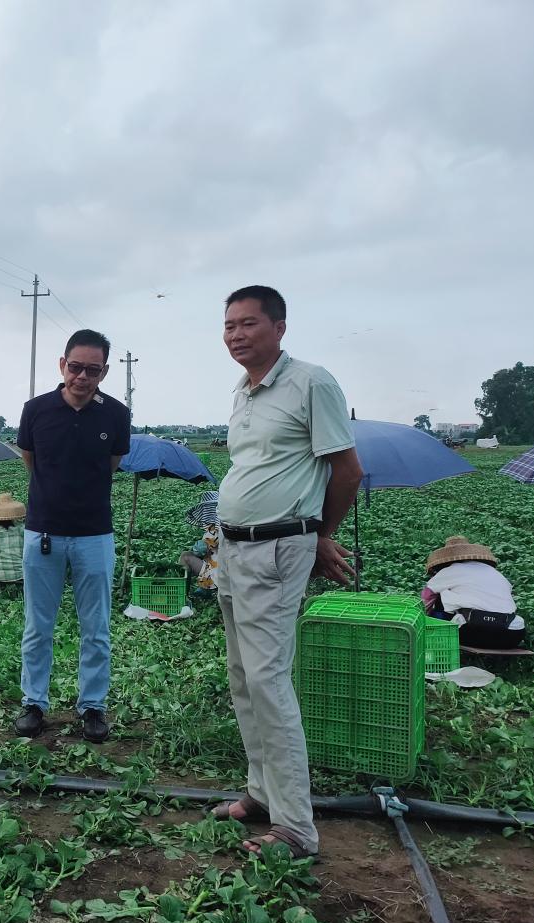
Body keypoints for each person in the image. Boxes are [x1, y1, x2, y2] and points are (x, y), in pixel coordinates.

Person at [210, 285, 362, 860]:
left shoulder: (311, 383)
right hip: (233, 548)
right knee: (243, 676)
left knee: (268, 681)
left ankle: (296, 827)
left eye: (248, 323)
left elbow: (346, 470)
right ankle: (261, 793)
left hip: (277, 548)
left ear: (279, 328)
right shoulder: (242, 390)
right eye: (229, 325)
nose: (236, 334)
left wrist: (318, 534)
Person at [13, 329, 131, 743]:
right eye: (76, 367)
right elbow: (31, 460)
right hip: (43, 532)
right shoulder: (36, 410)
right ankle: (34, 702)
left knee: (96, 627)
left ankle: (93, 706)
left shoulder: (115, 415)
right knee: (37, 624)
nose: (82, 376)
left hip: (94, 535)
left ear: (104, 372)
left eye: (92, 370)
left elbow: (111, 464)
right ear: (62, 364)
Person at [422, 536, 527, 649]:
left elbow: (426, 598)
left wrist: (423, 619)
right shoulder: (496, 574)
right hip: (511, 636)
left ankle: (435, 640)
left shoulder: (448, 571)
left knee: (440, 596)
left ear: (444, 561)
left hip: (471, 632)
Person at [179, 489, 220, 595]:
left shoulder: (214, 531)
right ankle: (206, 587)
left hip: (219, 575)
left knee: (185, 556)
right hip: (228, 572)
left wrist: (196, 548)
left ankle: (184, 593)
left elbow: (200, 551)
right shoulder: (225, 526)